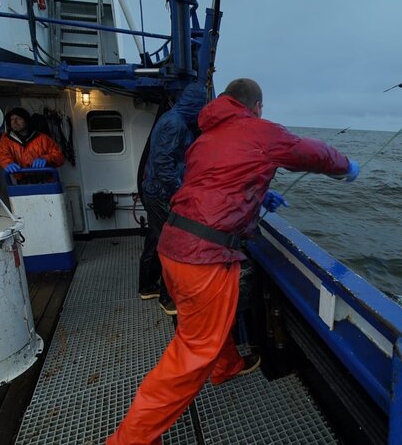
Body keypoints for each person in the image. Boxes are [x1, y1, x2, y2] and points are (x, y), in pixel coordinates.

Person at [107, 78, 360, 445]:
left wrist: (260, 196)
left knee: (200, 325)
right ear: (256, 106)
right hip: (204, 258)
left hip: (172, 247)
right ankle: (131, 439)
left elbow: (212, 185)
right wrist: (346, 166)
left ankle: (225, 366)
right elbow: (311, 153)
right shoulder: (261, 130)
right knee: (190, 354)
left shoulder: (204, 140)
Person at [139, 83, 207, 316]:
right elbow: (163, 165)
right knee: (171, 245)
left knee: (154, 239)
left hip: (156, 191)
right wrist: (182, 192)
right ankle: (168, 299)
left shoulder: (176, 120)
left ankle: (147, 286)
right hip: (161, 193)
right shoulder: (174, 124)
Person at [0, 107, 64, 173]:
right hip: (22, 182)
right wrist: (7, 163)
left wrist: (46, 158)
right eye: (12, 119)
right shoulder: (6, 139)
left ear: (26, 121)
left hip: (46, 180)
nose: (14, 122)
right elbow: (3, 154)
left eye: (18, 119)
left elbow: (59, 157)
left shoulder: (43, 138)